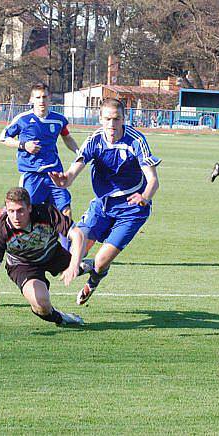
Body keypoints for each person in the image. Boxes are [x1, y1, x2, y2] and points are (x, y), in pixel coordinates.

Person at [50, 98, 161, 305]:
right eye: (107, 119)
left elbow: (153, 180)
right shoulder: (95, 140)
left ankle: (93, 281)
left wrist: (144, 197)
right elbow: (73, 172)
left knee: (100, 263)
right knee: (72, 255)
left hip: (132, 208)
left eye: (116, 119)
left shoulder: (135, 140)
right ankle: (86, 266)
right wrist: (64, 180)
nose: (112, 124)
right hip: (102, 205)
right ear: (100, 119)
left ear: (123, 119)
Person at [0, 187, 90, 326]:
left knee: (93, 265)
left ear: (29, 208)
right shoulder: (1, 230)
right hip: (23, 265)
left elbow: (77, 234)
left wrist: (73, 265)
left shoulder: (45, 212)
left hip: (51, 253)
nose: (15, 216)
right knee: (41, 304)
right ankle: (61, 318)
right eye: (11, 211)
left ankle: (89, 267)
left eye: (20, 210)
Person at [0, 83, 79, 217]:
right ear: (31, 99)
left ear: (49, 98)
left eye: (44, 97)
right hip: (32, 175)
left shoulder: (58, 120)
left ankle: (64, 239)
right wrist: (24, 145)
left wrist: (80, 153)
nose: (41, 101)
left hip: (54, 174)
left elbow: (67, 137)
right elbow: (3, 138)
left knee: (66, 212)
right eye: (38, 97)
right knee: (27, 213)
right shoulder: (22, 119)